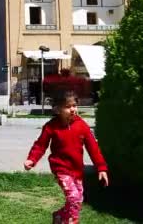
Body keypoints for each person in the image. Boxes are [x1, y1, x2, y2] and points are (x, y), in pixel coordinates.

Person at [23, 89, 109, 224]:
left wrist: (101, 168)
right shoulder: (51, 127)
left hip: (77, 170)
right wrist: (32, 159)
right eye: (68, 107)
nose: (73, 109)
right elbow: (40, 145)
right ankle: (71, 222)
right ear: (58, 109)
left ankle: (58, 216)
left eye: (74, 105)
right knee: (74, 198)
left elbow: (93, 148)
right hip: (61, 168)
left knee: (78, 200)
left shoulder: (82, 126)